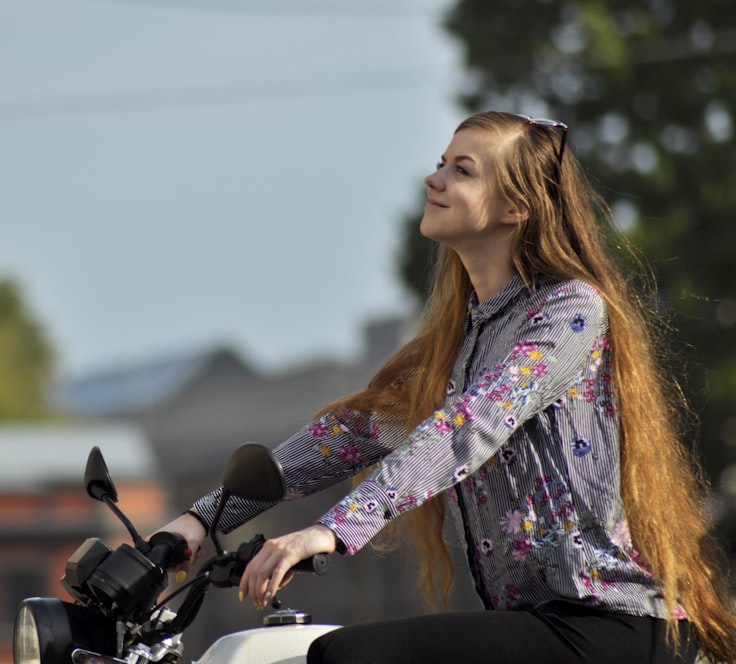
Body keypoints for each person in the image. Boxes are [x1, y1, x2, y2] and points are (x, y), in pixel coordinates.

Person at [158, 111, 736, 663]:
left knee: (347, 655)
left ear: (517, 206)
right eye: (442, 163)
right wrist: (200, 522)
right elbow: (349, 437)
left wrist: (331, 532)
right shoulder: (456, 344)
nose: (434, 178)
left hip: (612, 625)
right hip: (541, 626)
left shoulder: (570, 310)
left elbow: (471, 425)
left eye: (462, 170)